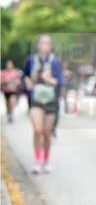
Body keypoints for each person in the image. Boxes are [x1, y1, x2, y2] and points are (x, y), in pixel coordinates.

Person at [23, 35, 64, 174]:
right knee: (37, 129)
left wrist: (50, 79)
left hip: (50, 100)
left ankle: (46, 161)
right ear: (38, 45)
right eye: (42, 42)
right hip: (36, 99)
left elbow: (60, 82)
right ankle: (37, 161)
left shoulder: (55, 62)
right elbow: (24, 75)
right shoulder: (31, 60)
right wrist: (27, 81)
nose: (45, 45)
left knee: (47, 132)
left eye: (47, 43)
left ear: (50, 46)